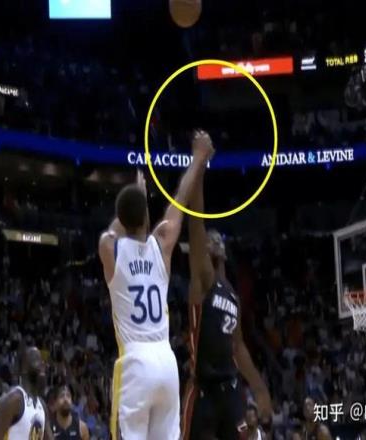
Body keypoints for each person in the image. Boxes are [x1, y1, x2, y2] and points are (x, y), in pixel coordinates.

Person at [98, 130, 214, 440]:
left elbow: (113, 231)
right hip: (166, 361)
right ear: (147, 215)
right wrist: (199, 157)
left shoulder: (111, 250)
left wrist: (134, 200)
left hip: (135, 362)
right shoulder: (161, 245)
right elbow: (180, 200)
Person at [181, 139, 272, 440]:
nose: (215, 239)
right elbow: (196, 221)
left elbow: (238, 346)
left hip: (230, 388)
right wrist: (200, 167)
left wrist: (259, 388)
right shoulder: (203, 279)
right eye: (210, 238)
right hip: (203, 389)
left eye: (219, 237)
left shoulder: (231, 293)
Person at [0, 346, 54, 440]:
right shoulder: (14, 400)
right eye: (36, 359)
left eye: (42, 360)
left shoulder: (42, 406)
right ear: (24, 368)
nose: (42, 363)